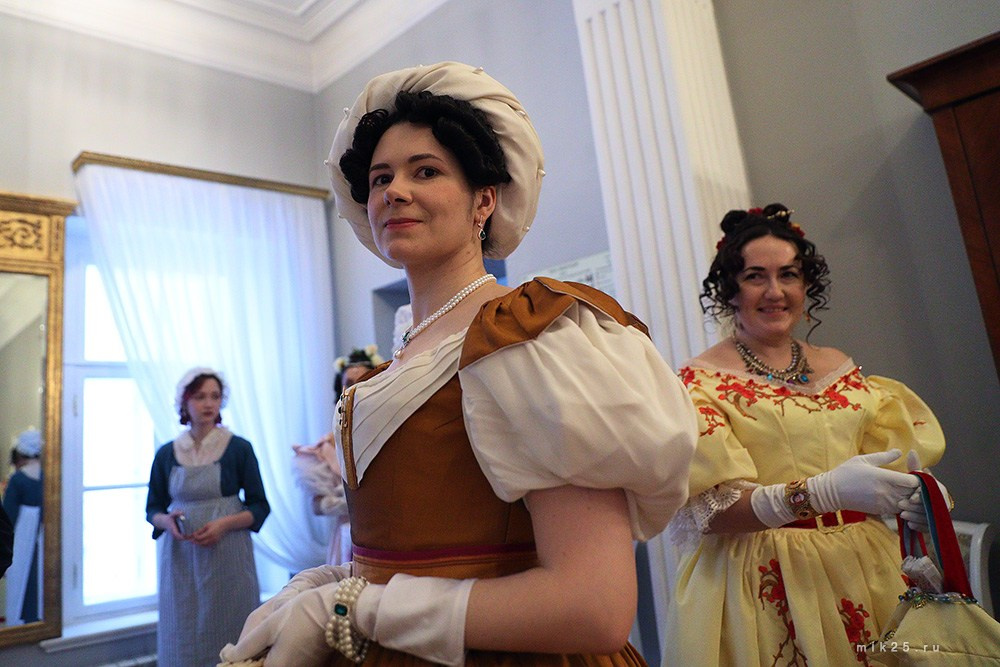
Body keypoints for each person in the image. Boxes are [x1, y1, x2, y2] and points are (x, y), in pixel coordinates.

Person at [219, 61, 698, 667]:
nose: (394, 191)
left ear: (484, 201)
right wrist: (327, 581)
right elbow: (418, 546)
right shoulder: (397, 361)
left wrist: (355, 608)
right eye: (381, 177)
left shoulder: (529, 337)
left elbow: (594, 608)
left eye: (426, 171)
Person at [663, 204, 948, 666]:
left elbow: (889, 462)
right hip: (761, 579)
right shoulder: (700, 383)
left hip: (867, 567)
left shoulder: (840, 366)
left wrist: (917, 496)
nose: (775, 292)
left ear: (806, 284)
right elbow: (710, 512)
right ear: (730, 289)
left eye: (789, 275)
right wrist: (823, 492)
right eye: (755, 276)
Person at [145, 367, 270, 667]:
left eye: (215, 396)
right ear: (184, 402)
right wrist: (167, 522)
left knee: (230, 631)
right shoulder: (167, 453)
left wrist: (224, 524)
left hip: (228, 556)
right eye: (200, 397)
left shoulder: (238, 448)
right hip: (181, 559)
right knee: (182, 631)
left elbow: (259, 506)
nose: (208, 403)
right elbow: (153, 509)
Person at [292, 346, 384, 565]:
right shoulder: (326, 447)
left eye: (364, 380)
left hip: (385, 532)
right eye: (349, 383)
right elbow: (317, 506)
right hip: (346, 539)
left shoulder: (388, 435)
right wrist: (353, 503)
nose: (356, 389)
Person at [3, 428, 44, 623]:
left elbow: (7, 519)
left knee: (20, 588)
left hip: (20, 544)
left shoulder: (18, 480)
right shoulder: (49, 477)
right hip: (43, 545)